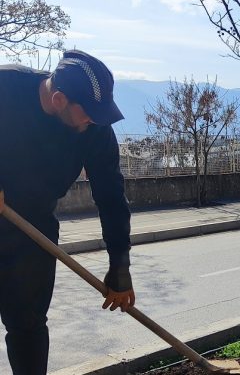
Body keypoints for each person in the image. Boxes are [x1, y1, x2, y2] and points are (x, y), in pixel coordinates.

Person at [0, 49, 135, 374]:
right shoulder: (6, 87)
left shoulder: (96, 128)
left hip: (33, 227)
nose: (94, 120)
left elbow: (111, 195)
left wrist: (120, 264)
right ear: (59, 99)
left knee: (28, 324)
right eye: (88, 114)